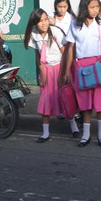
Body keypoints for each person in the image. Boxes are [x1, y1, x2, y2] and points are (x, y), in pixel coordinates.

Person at [62, 0, 101, 147]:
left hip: (99, 65)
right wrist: (67, 71)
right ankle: (86, 135)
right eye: (92, 7)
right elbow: (70, 48)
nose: (95, 10)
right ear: (84, 7)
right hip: (82, 67)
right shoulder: (75, 24)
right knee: (85, 103)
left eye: (97, 7)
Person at [24, 8, 79, 142]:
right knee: (45, 102)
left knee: (65, 98)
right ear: (34, 23)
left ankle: (74, 127)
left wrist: (64, 73)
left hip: (59, 68)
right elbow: (38, 56)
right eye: (40, 21)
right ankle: (45, 133)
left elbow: (65, 53)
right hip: (46, 70)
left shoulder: (55, 32)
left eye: (45, 19)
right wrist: (42, 73)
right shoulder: (34, 35)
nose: (43, 23)